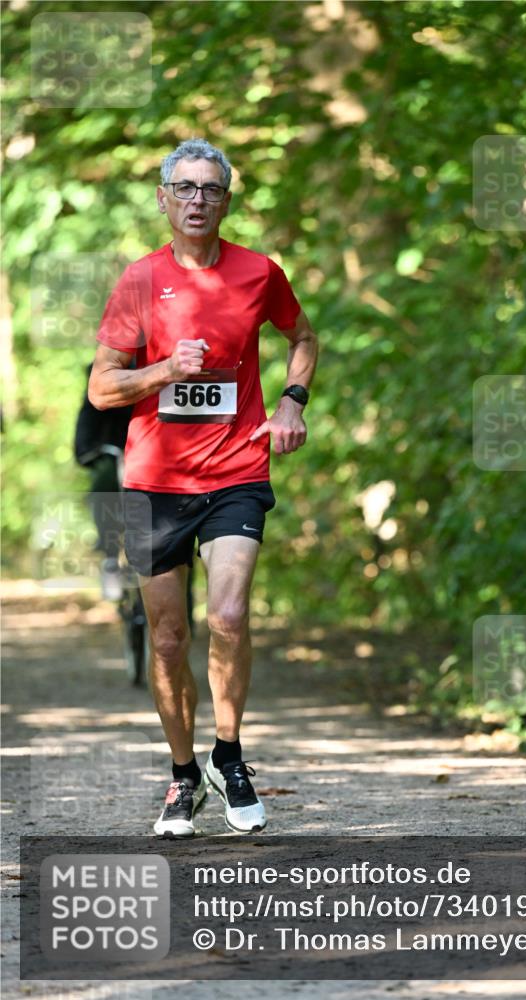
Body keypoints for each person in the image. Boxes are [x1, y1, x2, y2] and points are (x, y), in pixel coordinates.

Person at [88, 138, 318, 838]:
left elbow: (302, 336)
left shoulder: (257, 273)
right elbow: (101, 388)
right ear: (163, 197)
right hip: (155, 481)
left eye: (210, 189)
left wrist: (291, 402)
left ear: (226, 200)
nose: (196, 200)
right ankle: (183, 773)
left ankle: (230, 755)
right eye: (183, 188)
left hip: (236, 473)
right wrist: (161, 372)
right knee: (166, 639)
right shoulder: (137, 281)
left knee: (227, 615)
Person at [74, 363, 133, 600]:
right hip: (112, 455)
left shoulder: (147, 377)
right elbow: (83, 438)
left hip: (148, 454)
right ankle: (110, 556)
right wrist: (96, 453)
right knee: (104, 477)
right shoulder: (93, 398)